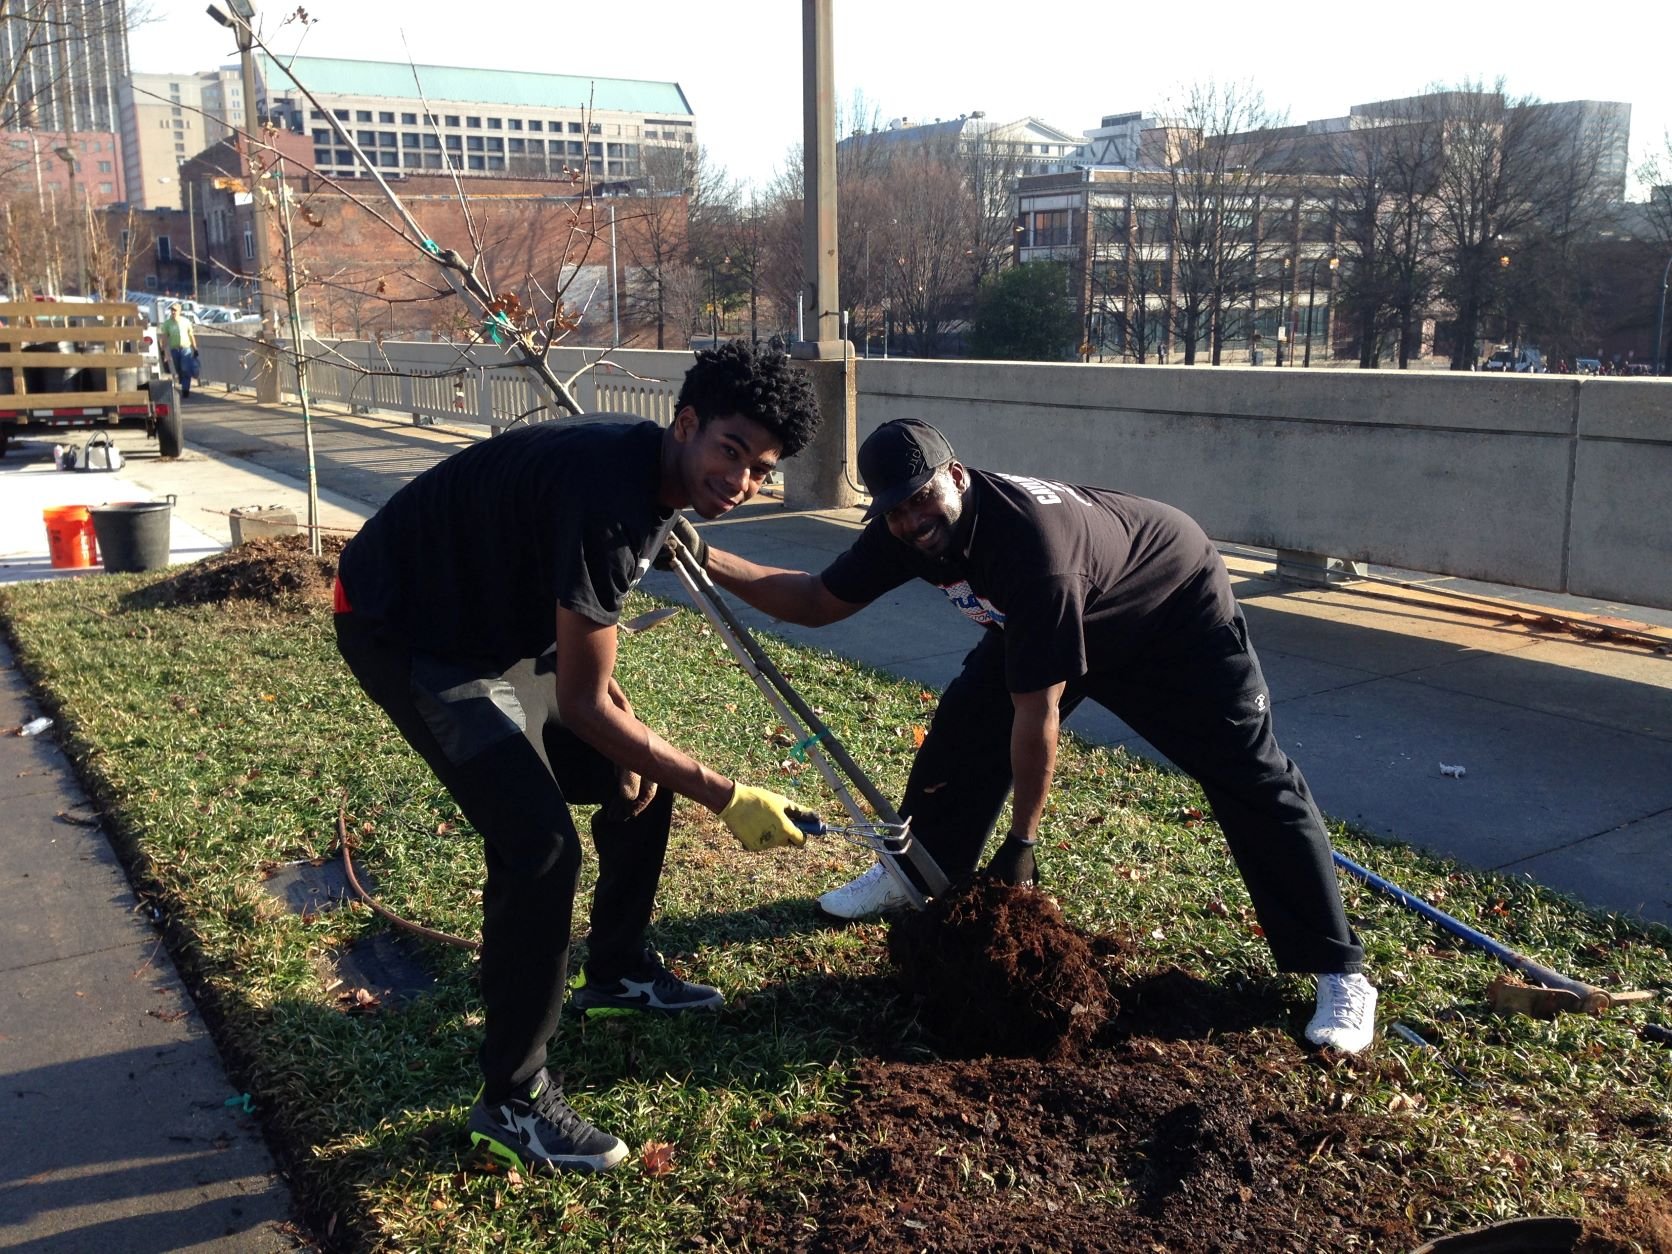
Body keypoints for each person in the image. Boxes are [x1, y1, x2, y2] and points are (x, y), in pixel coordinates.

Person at [690, 418, 1378, 1054]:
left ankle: (1338, 967)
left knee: (1250, 775)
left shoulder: (1032, 551)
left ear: (957, 475)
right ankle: (913, 870)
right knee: (965, 726)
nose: (911, 519)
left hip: (1170, 614)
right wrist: (702, 556)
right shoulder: (908, 527)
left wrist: (1021, 845)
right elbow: (816, 600)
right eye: (894, 508)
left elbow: (1037, 716)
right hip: (1069, 606)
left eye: (922, 498)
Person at [333, 342, 822, 1174]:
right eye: (731, 452)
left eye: (761, 469)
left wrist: (639, 745)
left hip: (492, 621)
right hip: (406, 627)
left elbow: (592, 659)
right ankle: (513, 1101)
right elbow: (585, 704)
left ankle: (618, 971)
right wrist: (729, 794)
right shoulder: (609, 495)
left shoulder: (655, 480)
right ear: (688, 422)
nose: (739, 482)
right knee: (540, 845)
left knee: (640, 779)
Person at [160, 303, 197, 398]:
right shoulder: (167, 323)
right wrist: (164, 351)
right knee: (179, 369)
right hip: (174, 350)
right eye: (172, 310)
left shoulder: (186, 322)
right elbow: (164, 338)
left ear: (180, 311)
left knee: (185, 369)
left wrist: (195, 348)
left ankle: (185, 389)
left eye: (175, 310)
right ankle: (182, 379)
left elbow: (191, 335)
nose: (173, 312)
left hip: (185, 348)